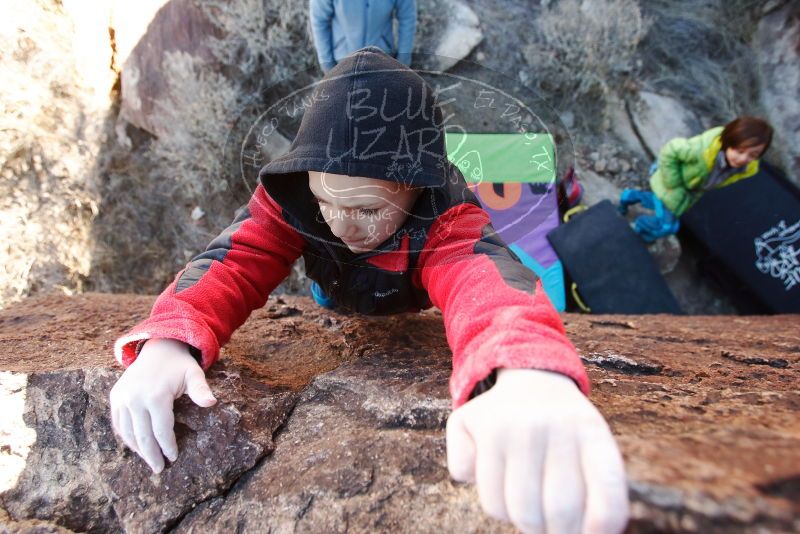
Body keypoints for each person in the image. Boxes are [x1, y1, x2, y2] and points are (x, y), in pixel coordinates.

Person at [110, 47, 629, 533]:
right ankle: (333, 297)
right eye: (326, 201)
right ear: (308, 176)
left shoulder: (444, 219)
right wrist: (169, 339)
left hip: (409, 299)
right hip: (334, 296)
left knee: (373, 289)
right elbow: (235, 259)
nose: (341, 225)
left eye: (366, 209)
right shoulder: (295, 198)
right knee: (329, 300)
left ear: (416, 187)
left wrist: (525, 368)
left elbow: (484, 279)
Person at [619, 117, 774, 242]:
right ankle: (637, 230)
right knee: (667, 227)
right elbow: (670, 150)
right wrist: (672, 183)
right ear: (729, 141)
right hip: (673, 185)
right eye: (739, 151)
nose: (743, 159)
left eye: (752, 155)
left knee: (658, 204)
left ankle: (630, 197)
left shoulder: (744, 169)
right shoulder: (700, 151)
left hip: (686, 192)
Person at [309, 0, 416, 73]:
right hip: (342, 63)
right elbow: (319, 20)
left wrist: (403, 61)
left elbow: (407, 17)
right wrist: (327, 63)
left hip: (383, 62)